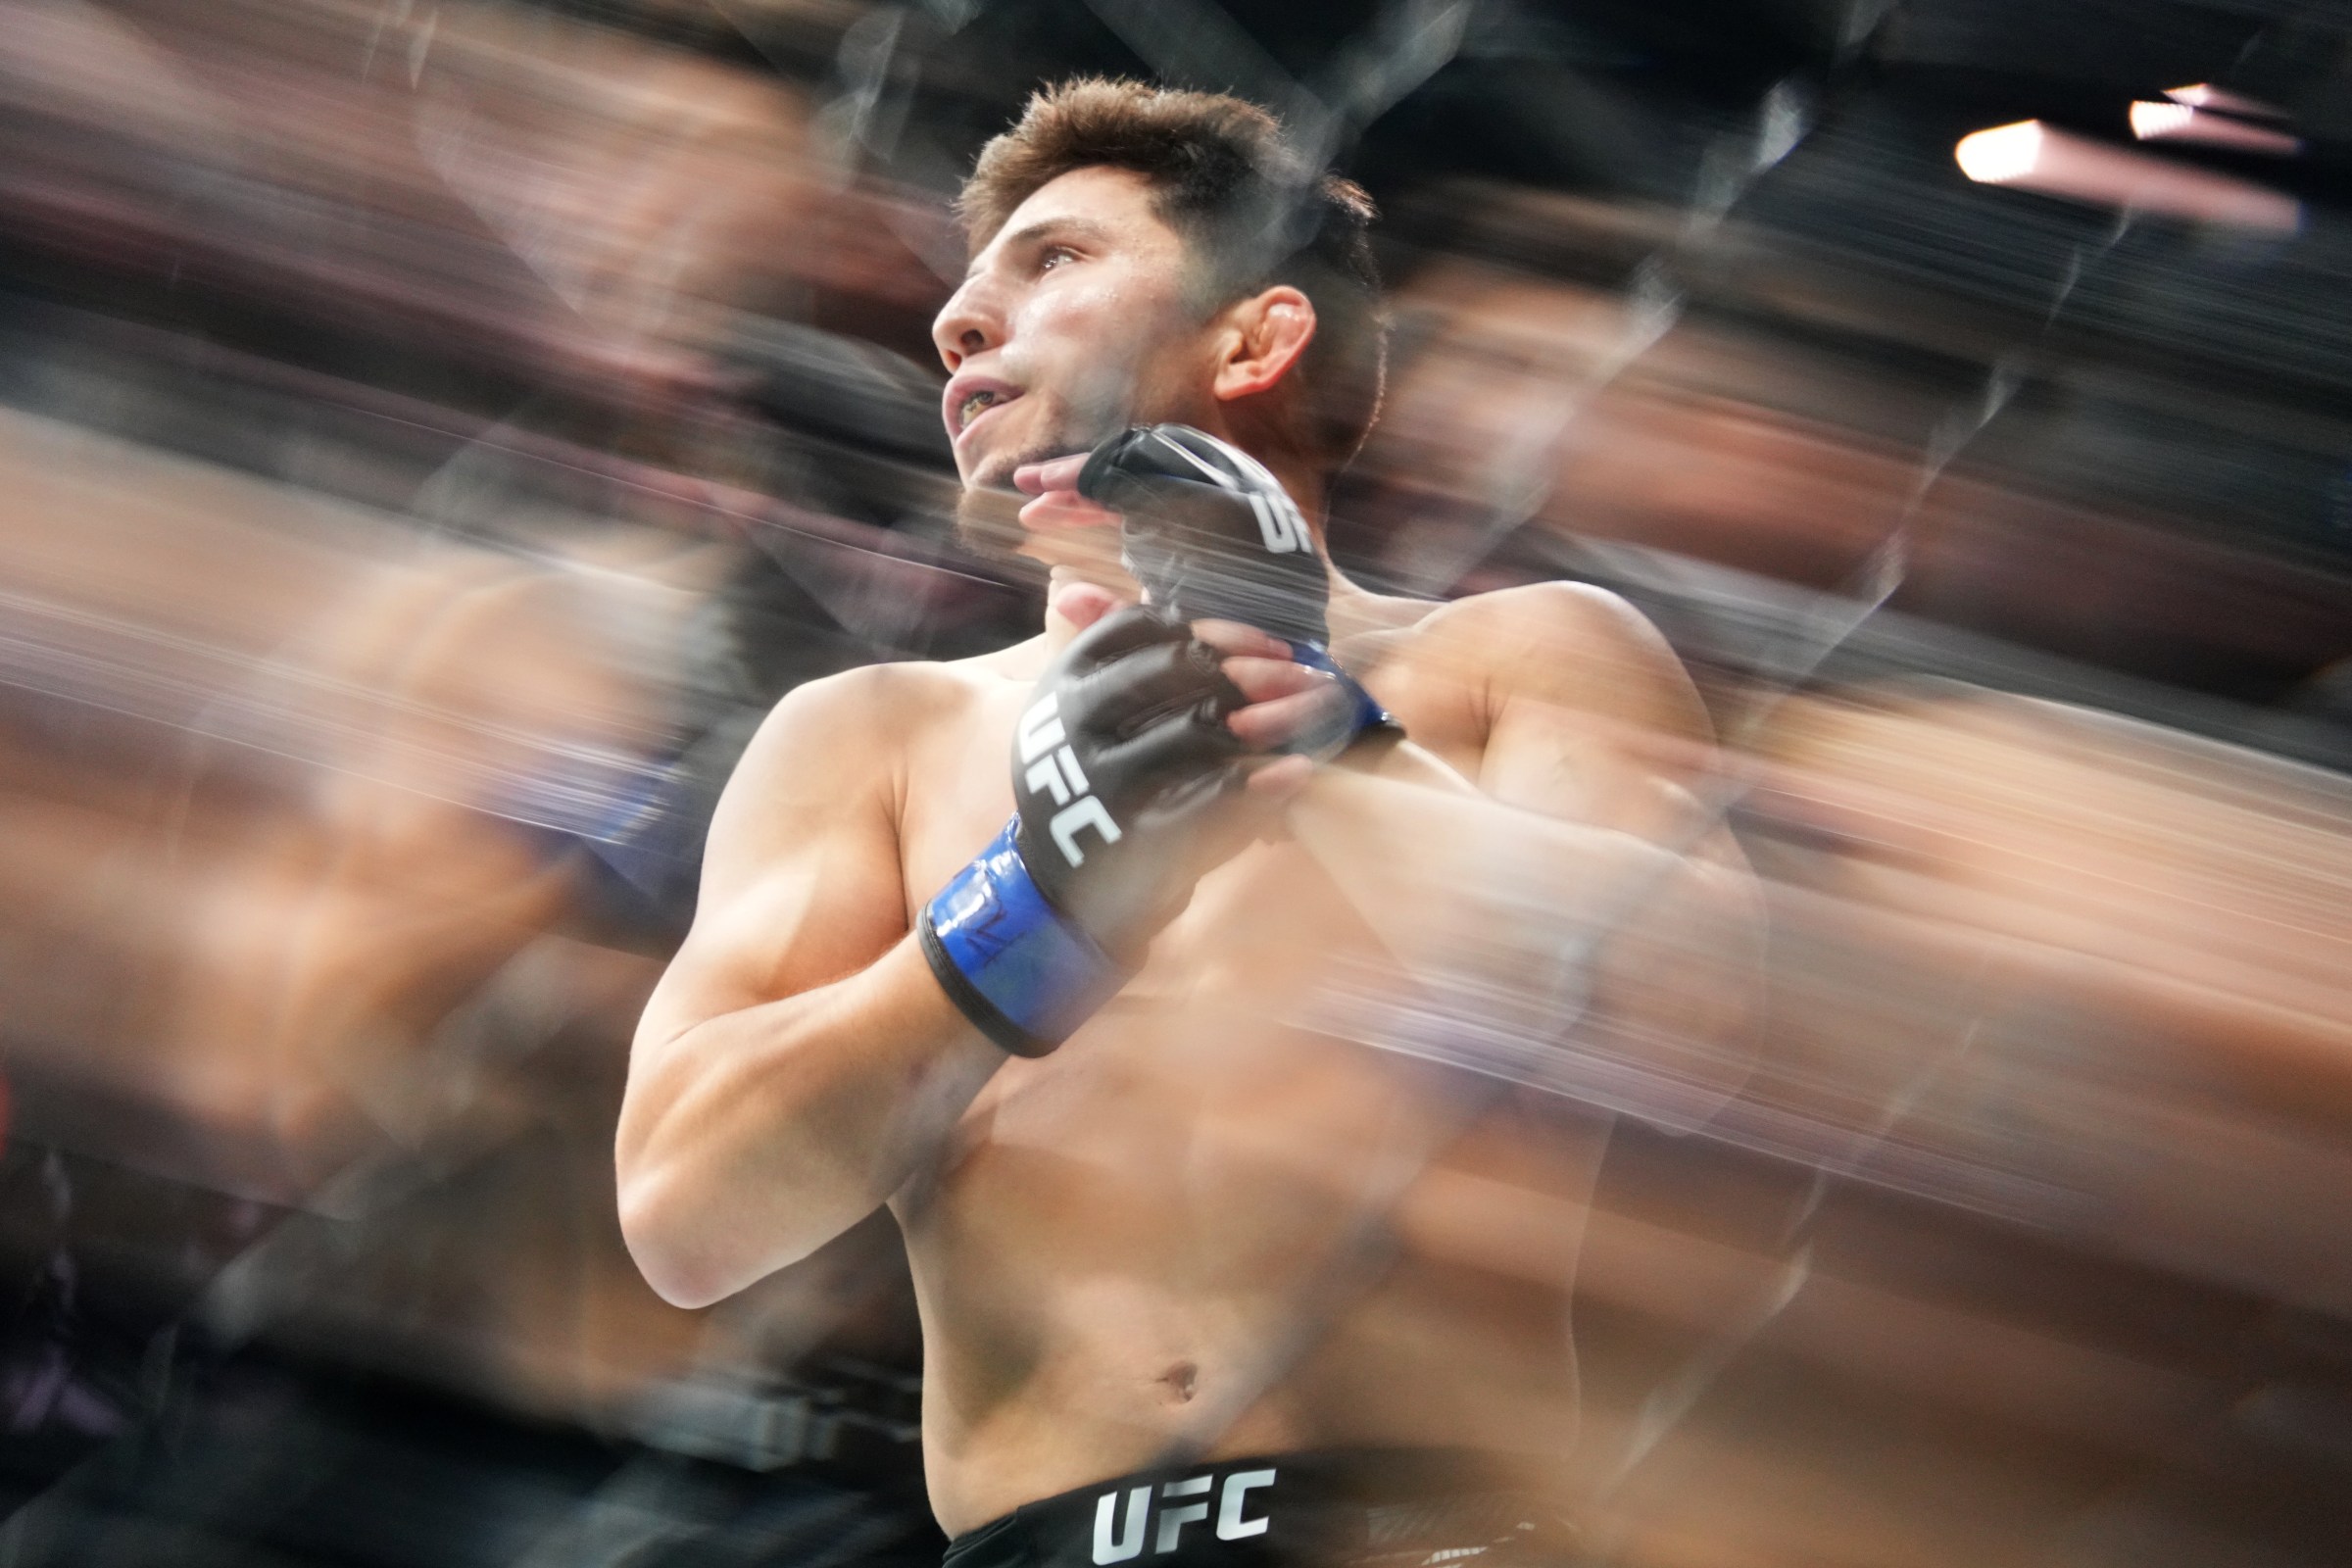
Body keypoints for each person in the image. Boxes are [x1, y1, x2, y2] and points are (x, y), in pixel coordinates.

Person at [617, 78, 1761, 1568]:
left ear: (1258, 335)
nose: (963, 320)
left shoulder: (1512, 660)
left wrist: (1332, 739)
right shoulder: (872, 736)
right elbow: (688, 1220)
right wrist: (1033, 899)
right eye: (965, 293)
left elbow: (1704, 1027)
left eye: (1057, 261)